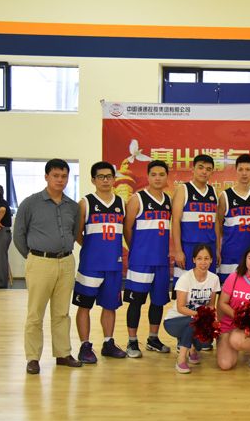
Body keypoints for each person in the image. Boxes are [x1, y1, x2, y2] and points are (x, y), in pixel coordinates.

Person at [13, 158, 81, 375]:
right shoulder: (30, 203)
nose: (60, 180)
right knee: (35, 313)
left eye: (64, 176)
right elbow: (18, 235)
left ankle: (63, 353)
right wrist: (33, 256)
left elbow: (74, 233)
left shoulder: (72, 206)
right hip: (40, 262)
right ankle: (33, 358)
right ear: (46, 177)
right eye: (55, 176)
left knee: (62, 312)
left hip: (66, 262)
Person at [72, 162, 128, 363]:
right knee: (84, 306)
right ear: (93, 180)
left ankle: (108, 342)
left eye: (109, 176)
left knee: (110, 306)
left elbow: (125, 232)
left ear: (114, 179)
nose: (105, 180)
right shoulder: (85, 203)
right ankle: (85, 345)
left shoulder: (121, 203)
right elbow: (77, 233)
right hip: (91, 265)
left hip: (113, 265)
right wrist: (93, 249)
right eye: (101, 177)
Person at [123, 160, 173, 358]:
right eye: (154, 174)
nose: (158, 178)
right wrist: (136, 250)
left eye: (161, 174)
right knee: (136, 302)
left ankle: (153, 339)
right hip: (141, 261)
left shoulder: (168, 200)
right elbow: (127, 228)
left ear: (166, 177)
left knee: (158, 302)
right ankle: (132, 341)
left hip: (161, 261)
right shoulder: (137, 198)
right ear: (148, 176)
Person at [164, 244, 221, 374]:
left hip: (197, 319)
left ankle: (194, 350)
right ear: (194, 260)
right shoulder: (185, 278)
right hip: (174, 321)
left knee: (205, 343)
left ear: (211, 260)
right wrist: (200, 315)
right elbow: (180, 308)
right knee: (192, 321)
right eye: (199, 258)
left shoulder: (214, 279)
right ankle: (181, 359)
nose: (203, 262)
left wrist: (211, 321)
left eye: (206, 258)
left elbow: (211, 305)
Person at [172, 154, 218, 284]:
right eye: (201, 167)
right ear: (193, 169)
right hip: (189, 247)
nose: (204, 172)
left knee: (207, 286)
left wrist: (217, 249)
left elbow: (216, 223)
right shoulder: (183, 189)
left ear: (212, 172)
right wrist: (178, 251)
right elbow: (175, 221)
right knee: (184, 286)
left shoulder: (213, 191)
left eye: (208, 169)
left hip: (209, 247)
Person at [217, 153, 250, 284]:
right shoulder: (225, 196)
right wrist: (218, 249)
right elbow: (218, 225)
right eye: (241, 169)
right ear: (236, 171)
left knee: (248, 292)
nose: (244, 173)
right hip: (229, 254)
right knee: (227, 291)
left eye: (247, 169)